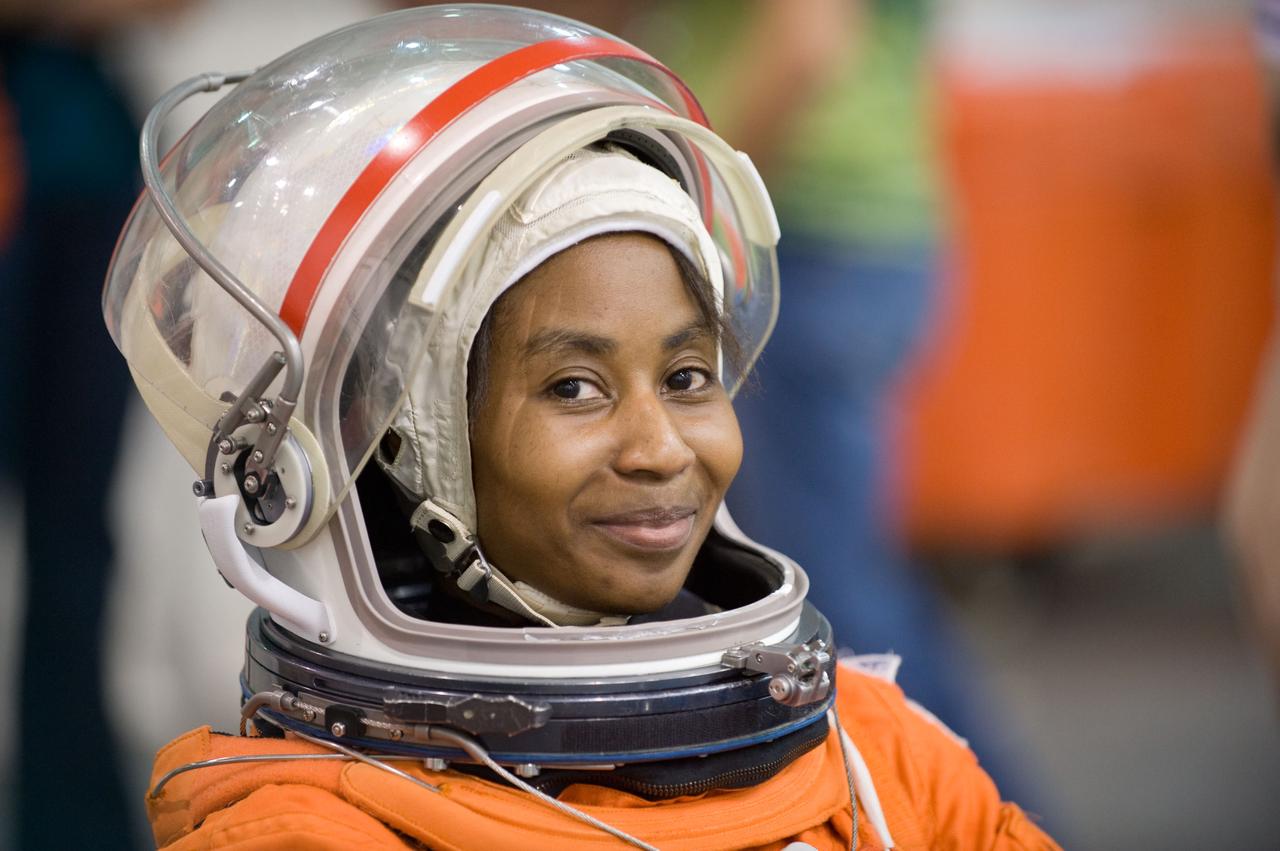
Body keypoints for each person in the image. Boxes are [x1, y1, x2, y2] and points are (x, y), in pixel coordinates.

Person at [104, 6, 1057, 848]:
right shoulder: (317, 829)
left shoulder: (888, 768)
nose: (660, 447)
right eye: (574, 387)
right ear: (416, 442)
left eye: (688, 376)